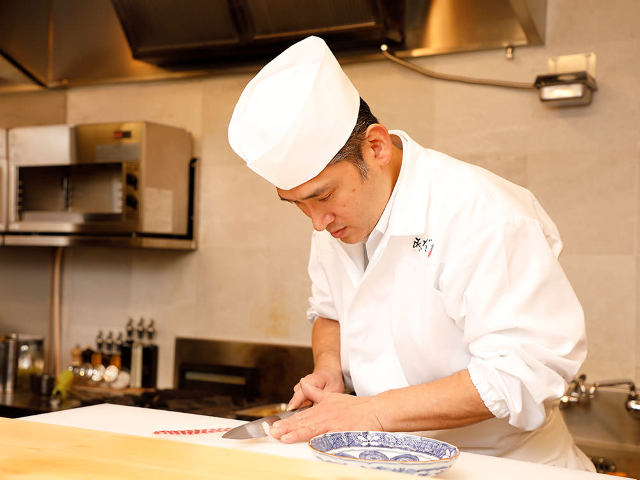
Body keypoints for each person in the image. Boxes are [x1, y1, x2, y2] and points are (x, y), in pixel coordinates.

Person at [228, 36, 593, 470]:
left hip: (503, 468)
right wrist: (331, 372)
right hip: (391, 462)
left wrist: (370, 412)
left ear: (376, 147)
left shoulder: (485, 214)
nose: (315, 222)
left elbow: (522, 375)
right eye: (298, 204)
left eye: (322, 196)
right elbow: (330, 312)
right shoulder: (334, 221)